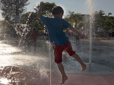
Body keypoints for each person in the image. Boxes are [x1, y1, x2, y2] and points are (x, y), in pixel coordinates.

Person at [37, 2, 86, 84]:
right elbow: (71, 28)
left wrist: (41, 7)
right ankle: (82, 64)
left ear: (52, 14)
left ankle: (64, 75)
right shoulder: (62, 21)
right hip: (65, 42)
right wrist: (80, 34)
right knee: (72, 53)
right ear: (60, 14)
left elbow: (38, 16)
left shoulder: (48, 20)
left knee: (58, 61)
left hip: (56, 45)